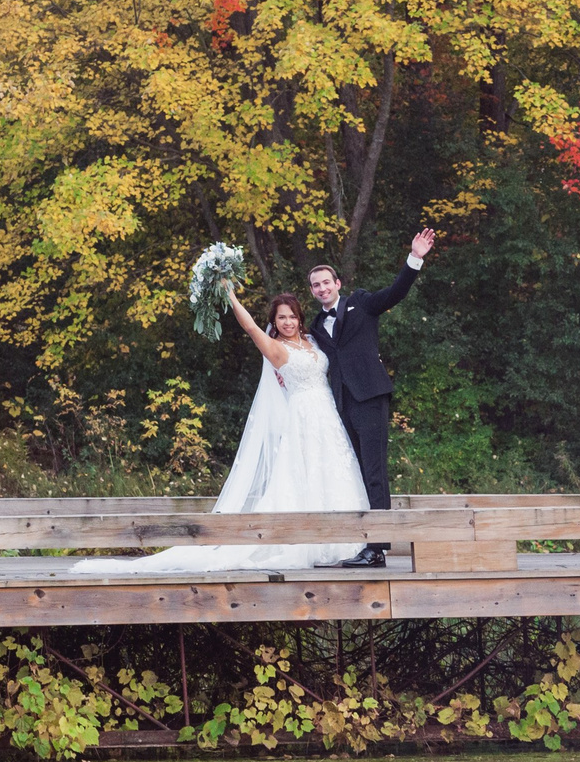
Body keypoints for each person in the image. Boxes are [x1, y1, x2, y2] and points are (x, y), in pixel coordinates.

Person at [68, 287, 370, 575]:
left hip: (328, 417)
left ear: (299, 318)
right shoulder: (275, 347)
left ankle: (347, 540)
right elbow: (251, 327)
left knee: (333, 472)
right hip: (302, 419)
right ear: (273, 322)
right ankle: (306, 541)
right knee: (304, 477)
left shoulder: (312, 341)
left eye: (291, 316)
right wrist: (231, 297)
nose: (288, 322)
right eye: (281, 317)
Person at [309, 229, 437, 568]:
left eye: (326, 282)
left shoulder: (361, 302)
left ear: (338, 283)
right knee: (350, 472)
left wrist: (415, 258)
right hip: (339, 405)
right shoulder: (316, 326)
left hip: (370, 397)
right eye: (315, 285)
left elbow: (395, 293)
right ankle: (355, 541)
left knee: (374, 471)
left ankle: (377, 548)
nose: (322, 288)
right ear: (313, 292)